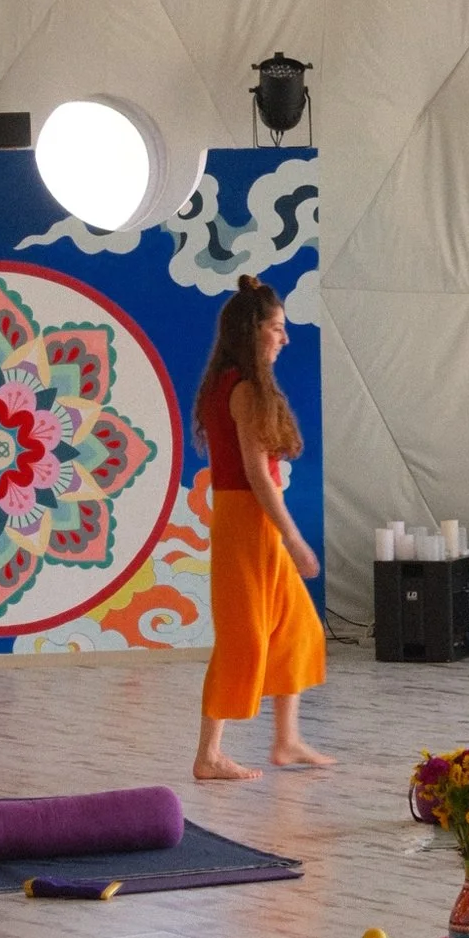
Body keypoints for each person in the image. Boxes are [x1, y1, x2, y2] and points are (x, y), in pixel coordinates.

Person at [192, 274, 328, 783]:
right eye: (277, 328)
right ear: (254, 332)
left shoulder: (230, 383)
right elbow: (255, 473)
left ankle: (286, 740)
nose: (284, 338)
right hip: (247, 518)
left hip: (250, 517)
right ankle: (209, 755)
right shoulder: (244, 389)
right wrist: (292, 537)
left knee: (297, 627)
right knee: (243, 638)